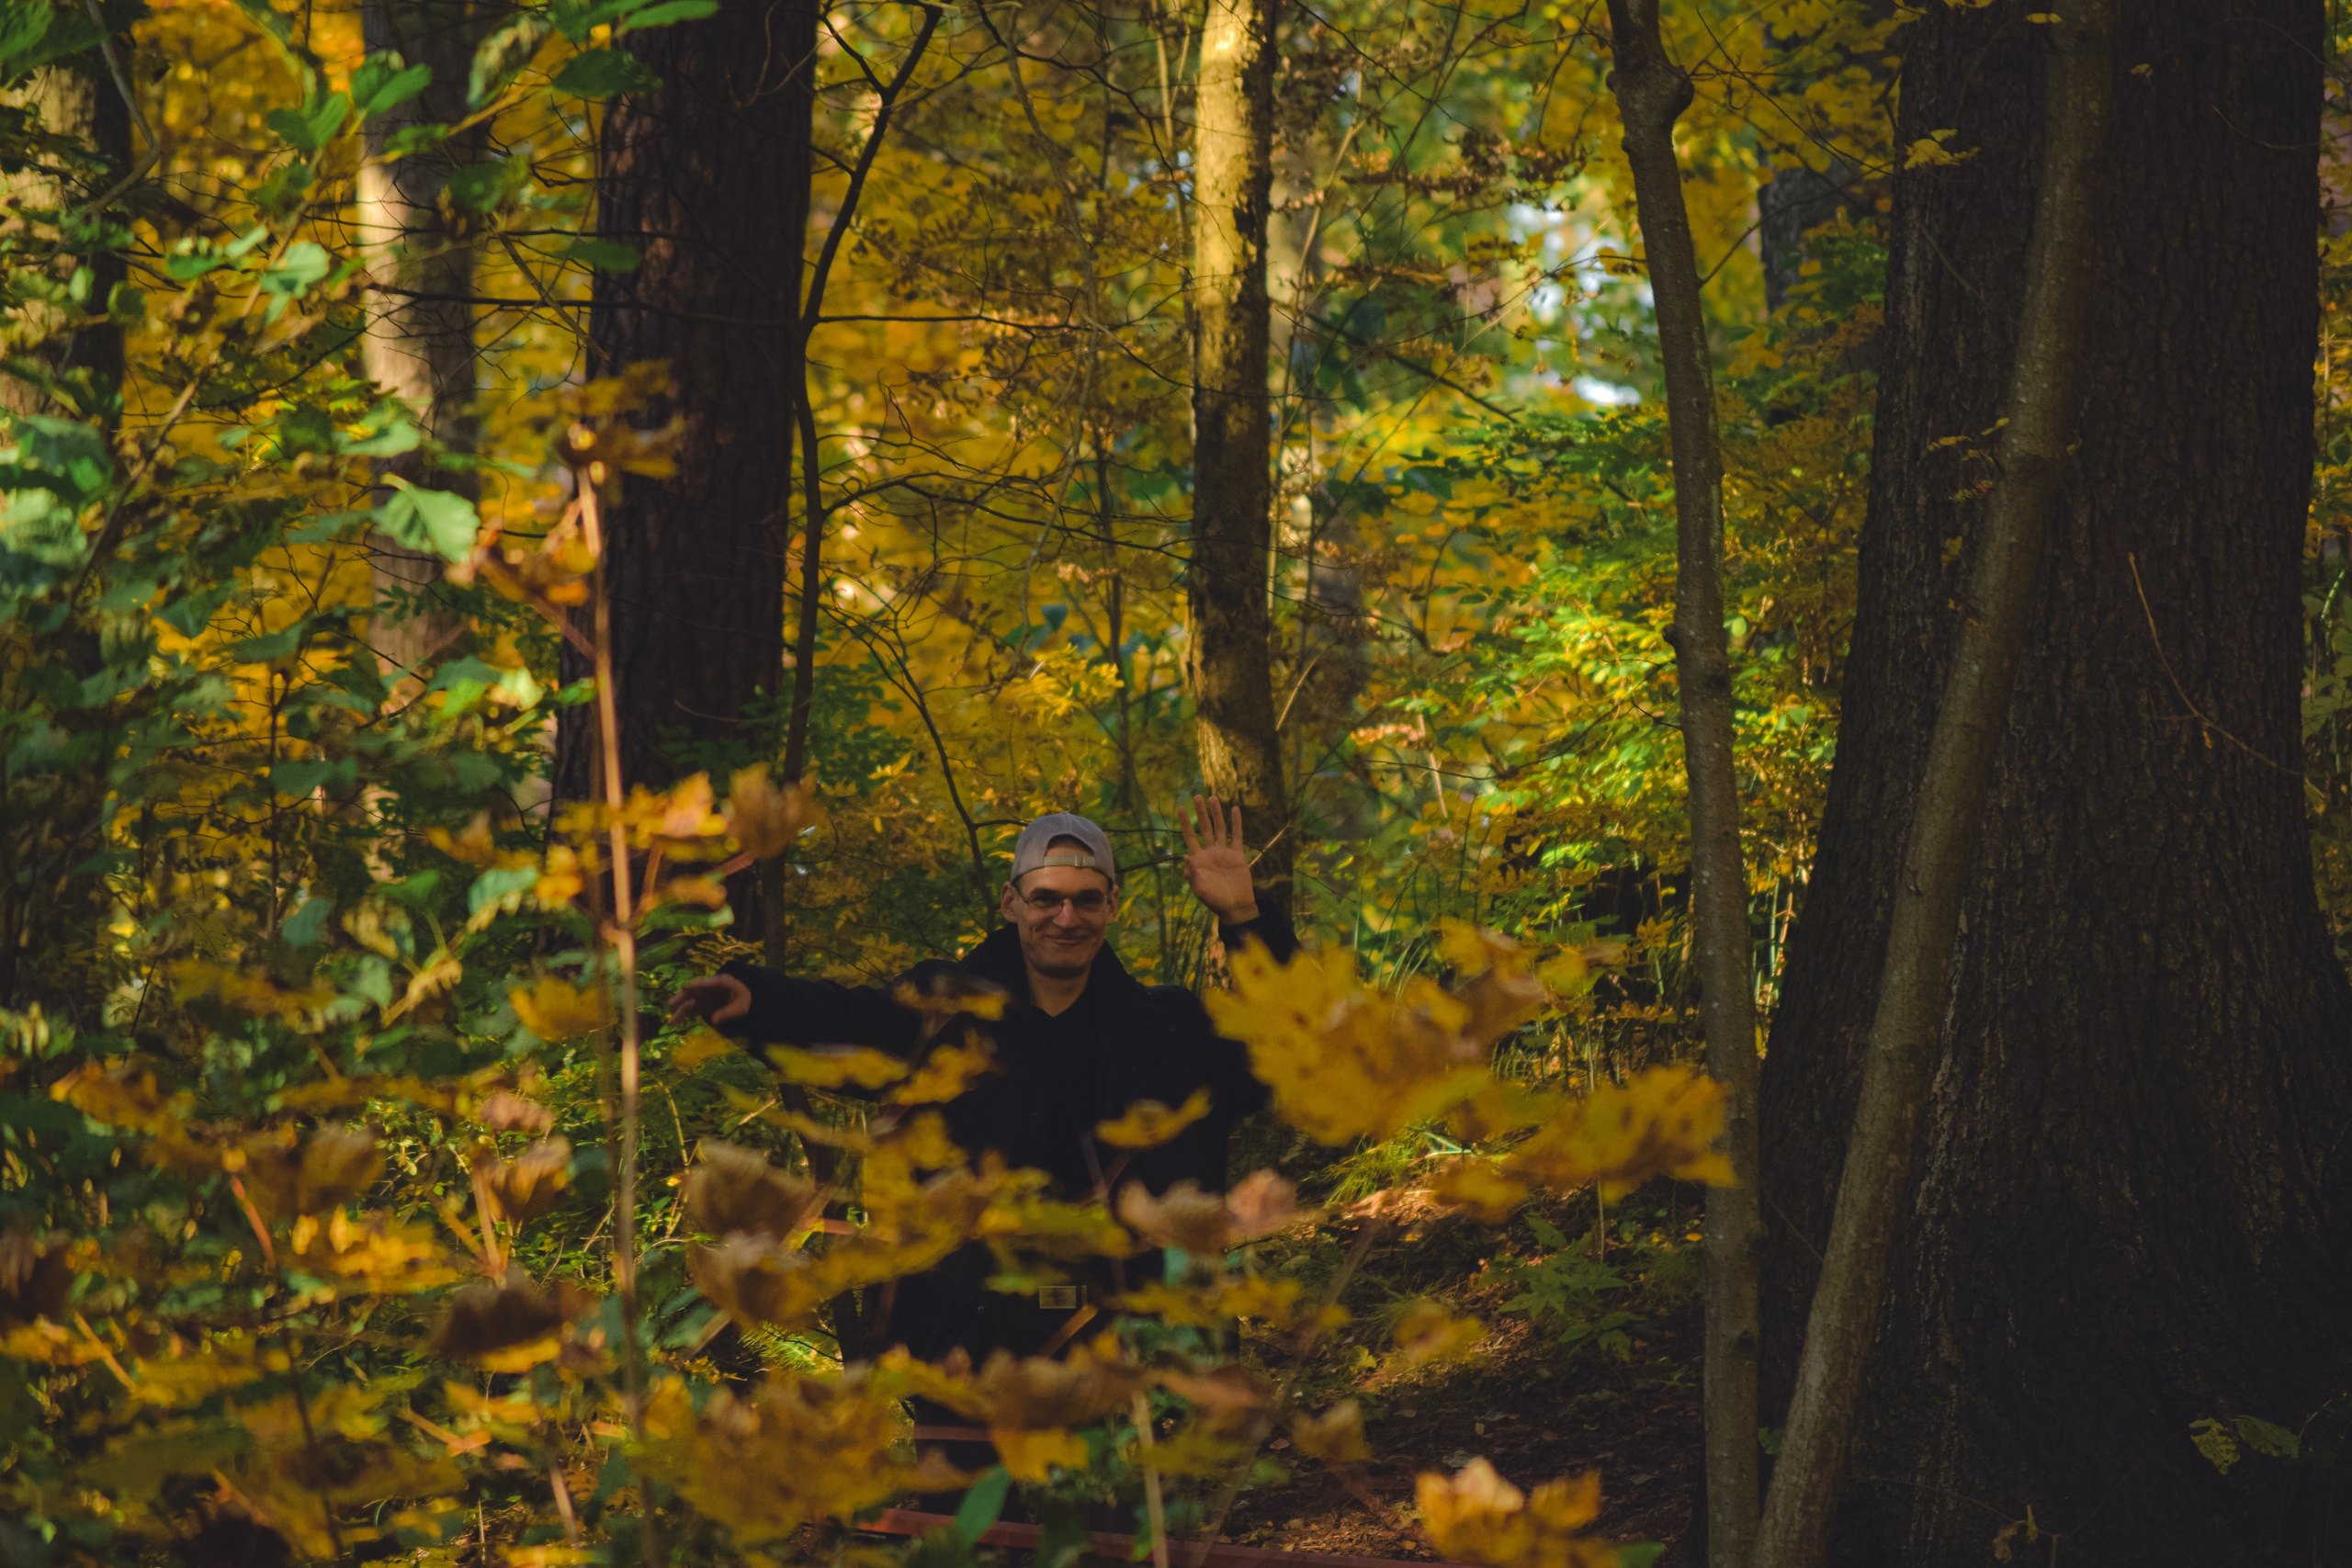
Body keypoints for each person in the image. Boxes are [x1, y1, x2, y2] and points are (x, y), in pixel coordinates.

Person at [666, 794, 1298, 1367]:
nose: (1065, 916)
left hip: (1135, 1345)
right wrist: (758, 1002)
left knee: (1138, 1496)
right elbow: (852, 1023)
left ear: (1112, 905)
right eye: (1046, 897)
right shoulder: (948, 1011)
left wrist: (1244, 916)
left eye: (1084, 898)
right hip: (971, 1343)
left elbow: (1285, 1054)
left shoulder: (1167, 1029)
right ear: (1011, 902)